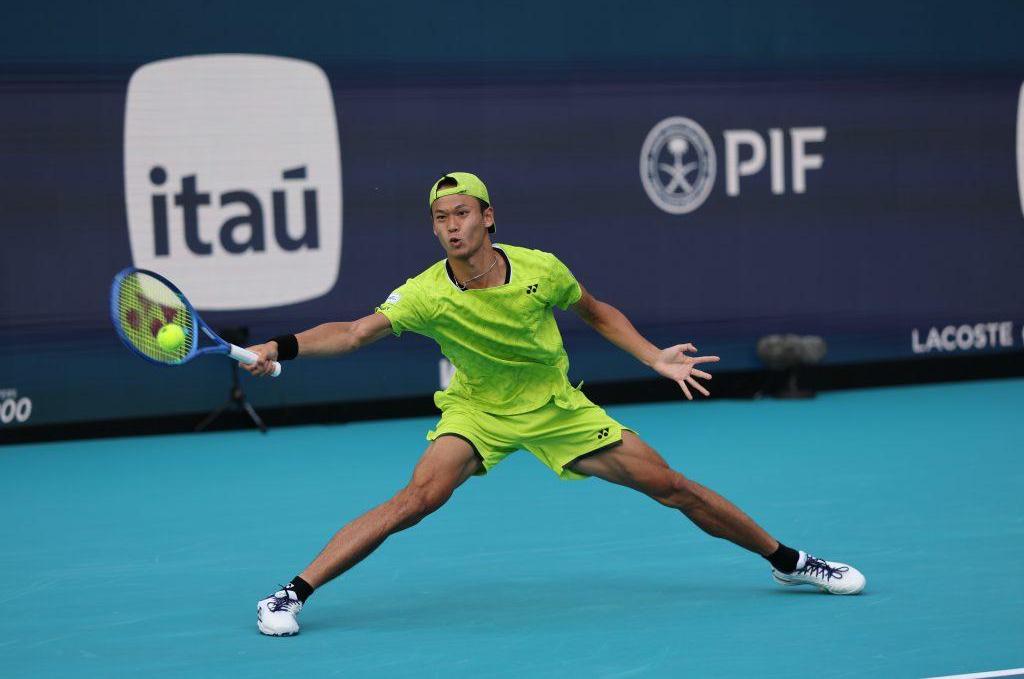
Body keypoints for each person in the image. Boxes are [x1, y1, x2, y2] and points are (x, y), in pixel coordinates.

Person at [245, 172, 866, 637]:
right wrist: (279, 347)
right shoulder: (425, 294)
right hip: (478, 411)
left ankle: (788, 561)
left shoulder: (541, 270)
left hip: (557, 409)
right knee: (416, 500)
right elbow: (354, 332)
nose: (451, 226)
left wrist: (653, 357)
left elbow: (595, 311)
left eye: (461, 213)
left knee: (672, 486)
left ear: (488, 217)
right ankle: (291, 594)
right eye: (440, 218)